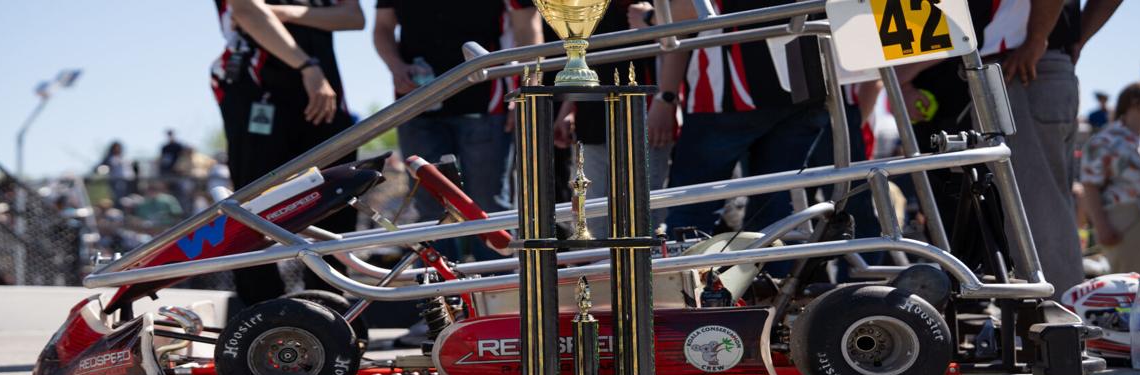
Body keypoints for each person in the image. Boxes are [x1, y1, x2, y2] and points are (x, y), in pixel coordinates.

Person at [897, 0, 1122, 295]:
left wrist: (1038, 39)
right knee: (1033, 216)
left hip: (1021, 68)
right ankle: (1051, 313)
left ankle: (1057, 314)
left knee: (1035, 218)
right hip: (1018, 66)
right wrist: (1062, 39)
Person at [651, 0, 879, 258]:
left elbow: (676, 15)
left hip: (728, 95)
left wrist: (649, 19)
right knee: (776, 209)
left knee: (694, 207)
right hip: (806, 84)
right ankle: (771, 278)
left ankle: (683, 278)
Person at [211, 0, 365, 307]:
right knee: (254, 202)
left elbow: (354, 17)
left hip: (323, 90)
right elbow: (246, 11)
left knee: (337, 195)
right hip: (258, 86)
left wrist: (284, 12)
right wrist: (307, 66)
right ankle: (262, 310)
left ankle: (329, 304)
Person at [375, 0, 540, 262]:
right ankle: (441, 284)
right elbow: (382, 26)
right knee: (429, 206)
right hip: (418, 103)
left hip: (486, 102)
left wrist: (528, 90)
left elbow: (528, 27)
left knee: (488, 205)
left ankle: (497, 281)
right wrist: (396, 66)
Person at [546, 1, 670, 238]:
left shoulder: (646, 7)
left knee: (643, 217)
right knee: (594, 219)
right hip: (592, 116)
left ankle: (646, 263)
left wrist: (666, 101)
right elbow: (580, 53)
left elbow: (674, 43)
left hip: (643, 113)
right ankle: (600, 263)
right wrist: (568, 107)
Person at [1077, 81, 1140, 287]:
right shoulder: (1105, 140)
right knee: (1130, 284)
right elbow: (1090, 185)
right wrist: (1101, 226)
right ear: (1135, 102)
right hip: (1126, 216)